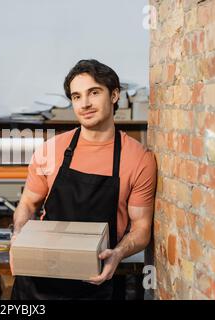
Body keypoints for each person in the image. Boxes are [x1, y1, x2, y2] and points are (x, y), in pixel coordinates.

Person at [10, 59, 157, 300]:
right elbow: (27, 203)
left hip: (97, 281)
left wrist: (118, 254)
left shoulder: (139, 158)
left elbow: (141, 228)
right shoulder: (51, 150)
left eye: (94, 93)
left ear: (114, 95)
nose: (85, 104)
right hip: (38, 283)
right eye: (77, 97)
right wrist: (19, 235)